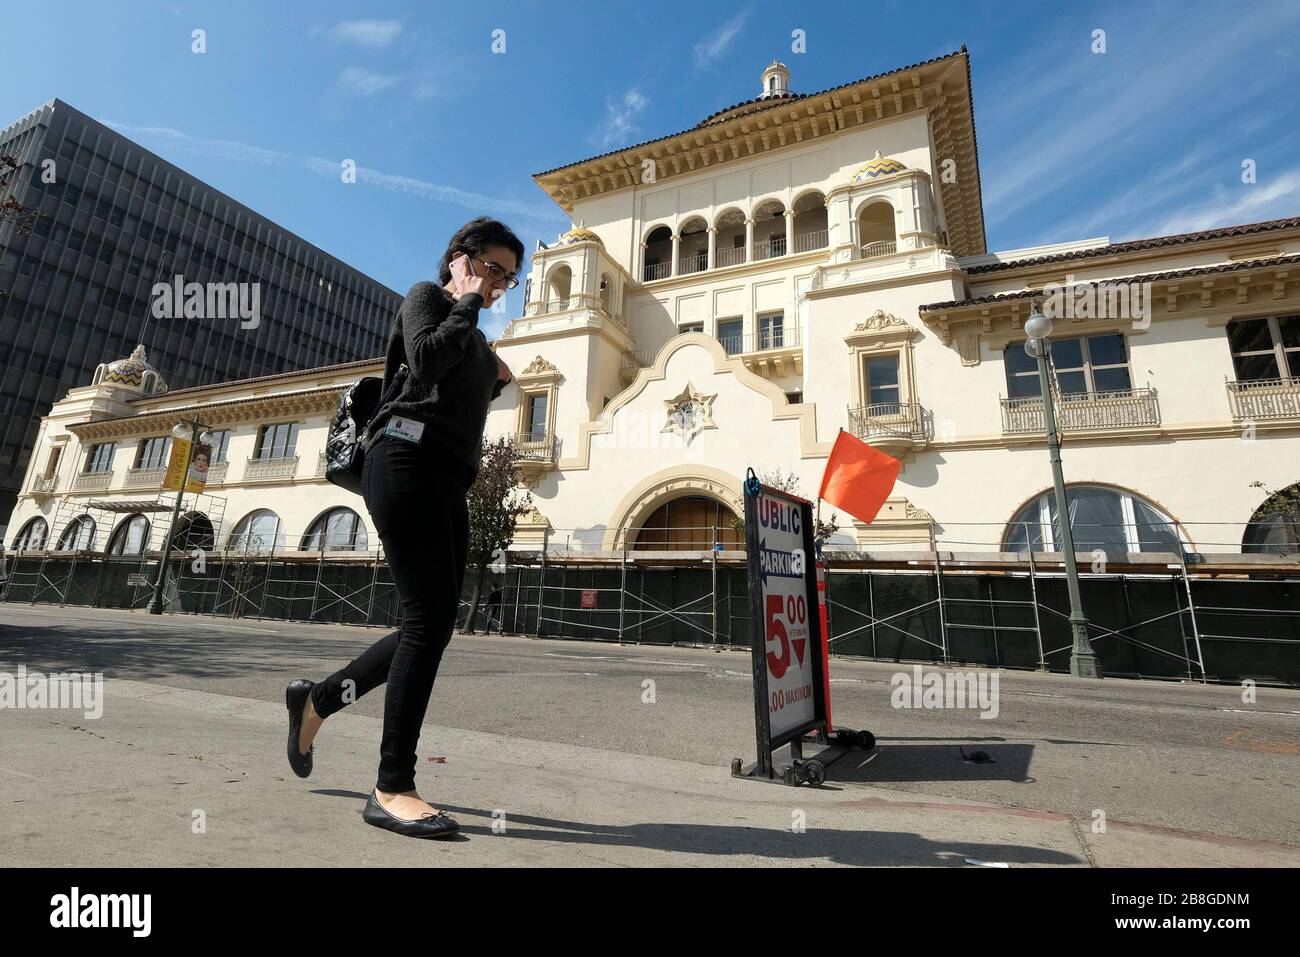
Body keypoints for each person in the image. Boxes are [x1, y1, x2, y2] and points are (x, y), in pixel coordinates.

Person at [284, 217, 523, 839]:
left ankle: (317, 701)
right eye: (492, 268)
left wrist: (493, 372)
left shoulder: (471, 332)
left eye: (509, 276)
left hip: (448, 477)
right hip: (403, 457)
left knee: (436, 622)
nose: (500, 284)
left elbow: (468, 387)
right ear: (461, 258)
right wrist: (467, 300)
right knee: (426, 621)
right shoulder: (428, 298)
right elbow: (424, 360)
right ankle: (392, 787)